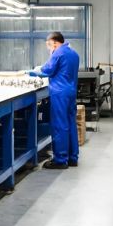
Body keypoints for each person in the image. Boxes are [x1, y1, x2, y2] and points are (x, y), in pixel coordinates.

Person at [27, 31, 80, 170]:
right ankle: (73, 157)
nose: (49, 48)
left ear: (55, 42)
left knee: (59, 124)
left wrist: (32, 72)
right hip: (71, 92)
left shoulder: (58, 53)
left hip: (60, 93)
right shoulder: (74, 53)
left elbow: (47, 70)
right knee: (70, 123)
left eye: (49, 45)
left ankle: (60, 159)